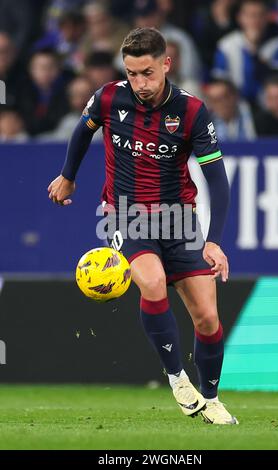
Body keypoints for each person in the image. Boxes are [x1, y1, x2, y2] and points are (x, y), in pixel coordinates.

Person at [48, 27, 238, 425]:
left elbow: (217, 180)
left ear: (166, 64)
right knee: (151, 282)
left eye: (147, 73)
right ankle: (175, 376)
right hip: (124, 214)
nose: (140, 83)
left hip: (180, 220)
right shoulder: (108, 97)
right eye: (132, 73)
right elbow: (82, 134)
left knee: (207, 318)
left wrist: (215, 242)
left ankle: (212, 398)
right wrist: (68, 176)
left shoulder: (191, 111)